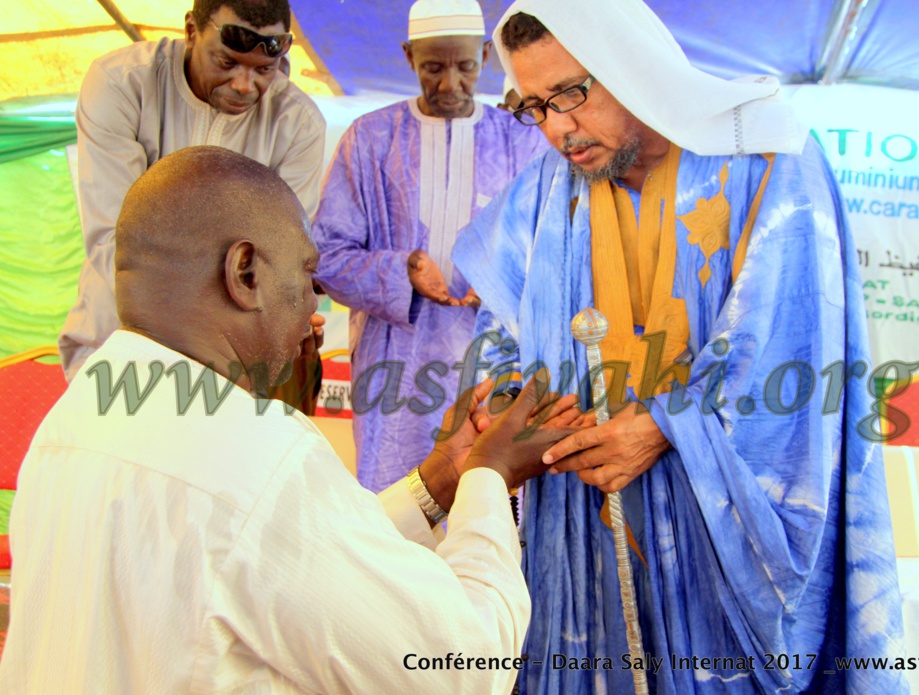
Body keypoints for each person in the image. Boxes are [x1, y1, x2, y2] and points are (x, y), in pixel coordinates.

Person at [0, 146, 581, 694]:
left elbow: (268, 560)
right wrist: (489, 476)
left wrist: (436, 487)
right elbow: (465, 665)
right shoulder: (249, 450)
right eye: (307, 275)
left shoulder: (77, 418)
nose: (314, 307)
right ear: (245, 273)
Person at [452, 1, 909, 693]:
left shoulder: (766, 160)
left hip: (711, 534)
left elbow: (792, 349)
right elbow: (500, 327)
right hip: (583, 526)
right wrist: (511, 403)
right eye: (534, 106)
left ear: (631, 67)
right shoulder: (547, 189)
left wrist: (666, 426)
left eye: (573, 94)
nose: (557, 129)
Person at [311, 0, 546, 492]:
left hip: (497, 365)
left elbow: (555, 249)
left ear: (485, 57)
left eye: (463, 67)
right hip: (394, 365)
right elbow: (324, 254)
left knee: (488, 506)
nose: (449, 85)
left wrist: (504, 281)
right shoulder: (370, 139)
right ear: (408, 56)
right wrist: (403, 270)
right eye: (432, 68)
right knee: (395, 507)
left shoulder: (523, 141)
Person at [58, 0, 326, 394]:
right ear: (190, 31)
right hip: (117, 349)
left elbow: (277, 263)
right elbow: (117, 247)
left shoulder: (298, 123)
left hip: (230, 374)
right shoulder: (122, 83)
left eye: (264, 69)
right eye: (226, 61)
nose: (244, 84)